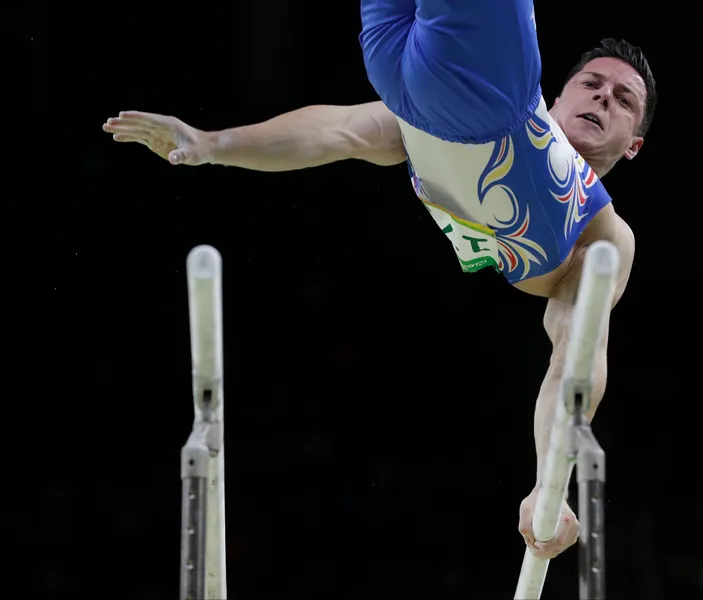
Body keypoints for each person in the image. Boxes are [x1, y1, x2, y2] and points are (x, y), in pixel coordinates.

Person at [102, 0, 656, 567]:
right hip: (490, 89)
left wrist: (213, 144)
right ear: (558, 95)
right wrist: (552, 482)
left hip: (396, 62)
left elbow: (575, 354)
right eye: (592, 84)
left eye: (623, 100)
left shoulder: (600, 234)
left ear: (634, 143)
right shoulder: (521, 99)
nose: (602, 98)